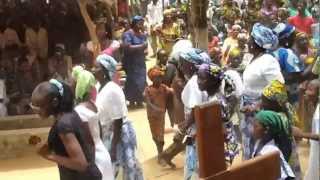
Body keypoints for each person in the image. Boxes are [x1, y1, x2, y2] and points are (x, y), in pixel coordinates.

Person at [30, 79, 102, 180]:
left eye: (39, 108)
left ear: (54, 102)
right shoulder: (68, 116)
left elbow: (80, 164)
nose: (37, 112)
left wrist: (49, 155)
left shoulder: (63, 125)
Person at [93, 54, 144, 180]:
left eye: (96, 67)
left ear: (105, 70)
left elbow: (118, 120)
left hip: (118, 135)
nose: (93, 70)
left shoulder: (112, 90)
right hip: (108, 133)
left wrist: (114, 147)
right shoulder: (99, 87)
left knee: (122, 167)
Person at [241, 23, 284, 160]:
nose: (247, 41)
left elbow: (278, 87)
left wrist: (257, 105)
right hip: (249, 113)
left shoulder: (268, 61)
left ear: (256, 42)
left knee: (262, 151)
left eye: (250, 38)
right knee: (250, 148)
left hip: (262, 113)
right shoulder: (252, 58)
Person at [72, 66, 114, 180]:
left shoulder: (79, 111)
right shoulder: (93, 105)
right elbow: (98, 132)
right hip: (102, 151)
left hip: (94, 157)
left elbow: (87, 140)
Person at [252, 110, 295, 180]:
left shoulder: (271, 150)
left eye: (255, 127)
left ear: (266, 130)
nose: (252, 130)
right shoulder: (259, 143)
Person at [144, 66, 173, 163]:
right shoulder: (148, 90)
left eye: (160, 78)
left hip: (161, 117)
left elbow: (172, 91)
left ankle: (160, 155)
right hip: (152, 117)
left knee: (160, 137)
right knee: (155, 136)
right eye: (157, 78)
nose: (159, 80)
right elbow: (149, 103)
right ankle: (159, 152)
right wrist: (157, 109)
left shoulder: (163, 88)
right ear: (152, 79)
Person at [122, 16, 148, 108]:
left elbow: (146, 48)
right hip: (131, 62)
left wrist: (144, 50)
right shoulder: (128, 34)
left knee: (142, 81)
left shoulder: (143, 34)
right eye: (139, 23)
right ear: (134, 23)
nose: (141, 25)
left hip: (140, 62)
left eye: (142, 23)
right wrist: (141, 47)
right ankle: (132, 101)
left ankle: (140, 100)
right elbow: (127, 47)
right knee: (132, 81)